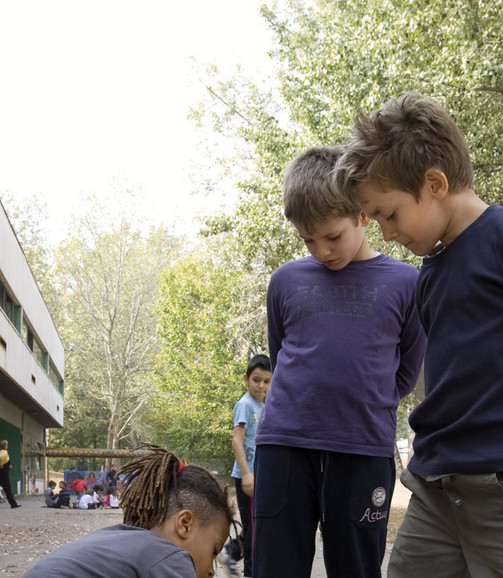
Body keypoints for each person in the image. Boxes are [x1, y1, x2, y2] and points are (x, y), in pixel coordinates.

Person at [334, 92, 503, 577]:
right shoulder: (430, 274)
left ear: (435, 183)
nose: (386, 233)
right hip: (436, 488)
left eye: (390, 214)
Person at [251, 146, 427, 578]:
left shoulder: (408, 283)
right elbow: (282, 356)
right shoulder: (285, 281)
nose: (321, 251)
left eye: (332, 236)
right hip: (285, 447)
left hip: (362, 449)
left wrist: (361, 402)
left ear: (363, 215)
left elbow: (405, 372)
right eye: (308, 240)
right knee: (274, 567)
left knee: (357, 569)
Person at [25, 443, 234, 578]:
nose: (211, 571)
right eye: (213, 551)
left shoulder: (114, 541)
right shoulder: (170, 557)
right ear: (185, 524)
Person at [226, 354, 271, 577]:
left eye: (266, 381)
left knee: (256, 527)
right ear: (246, 379)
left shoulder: (263, 406)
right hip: (248, 477)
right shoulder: (244, 405)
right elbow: (237, 440)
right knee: (254, 532)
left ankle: (230, 552)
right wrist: (246, 474)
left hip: (261, 476)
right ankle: (251, 572)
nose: (261, 385)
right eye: (256, 380)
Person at [0, 440, 21, 508]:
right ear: (5, 446)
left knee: (7, 489)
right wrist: (1, 465)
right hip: (3, 473)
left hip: (2, 471)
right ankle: (13, 504)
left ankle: (13, 504)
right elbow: (0, 458)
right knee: (7, 489)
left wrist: (8, 465)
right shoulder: (4, 452)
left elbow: (5, 460)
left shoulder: (1, 451)